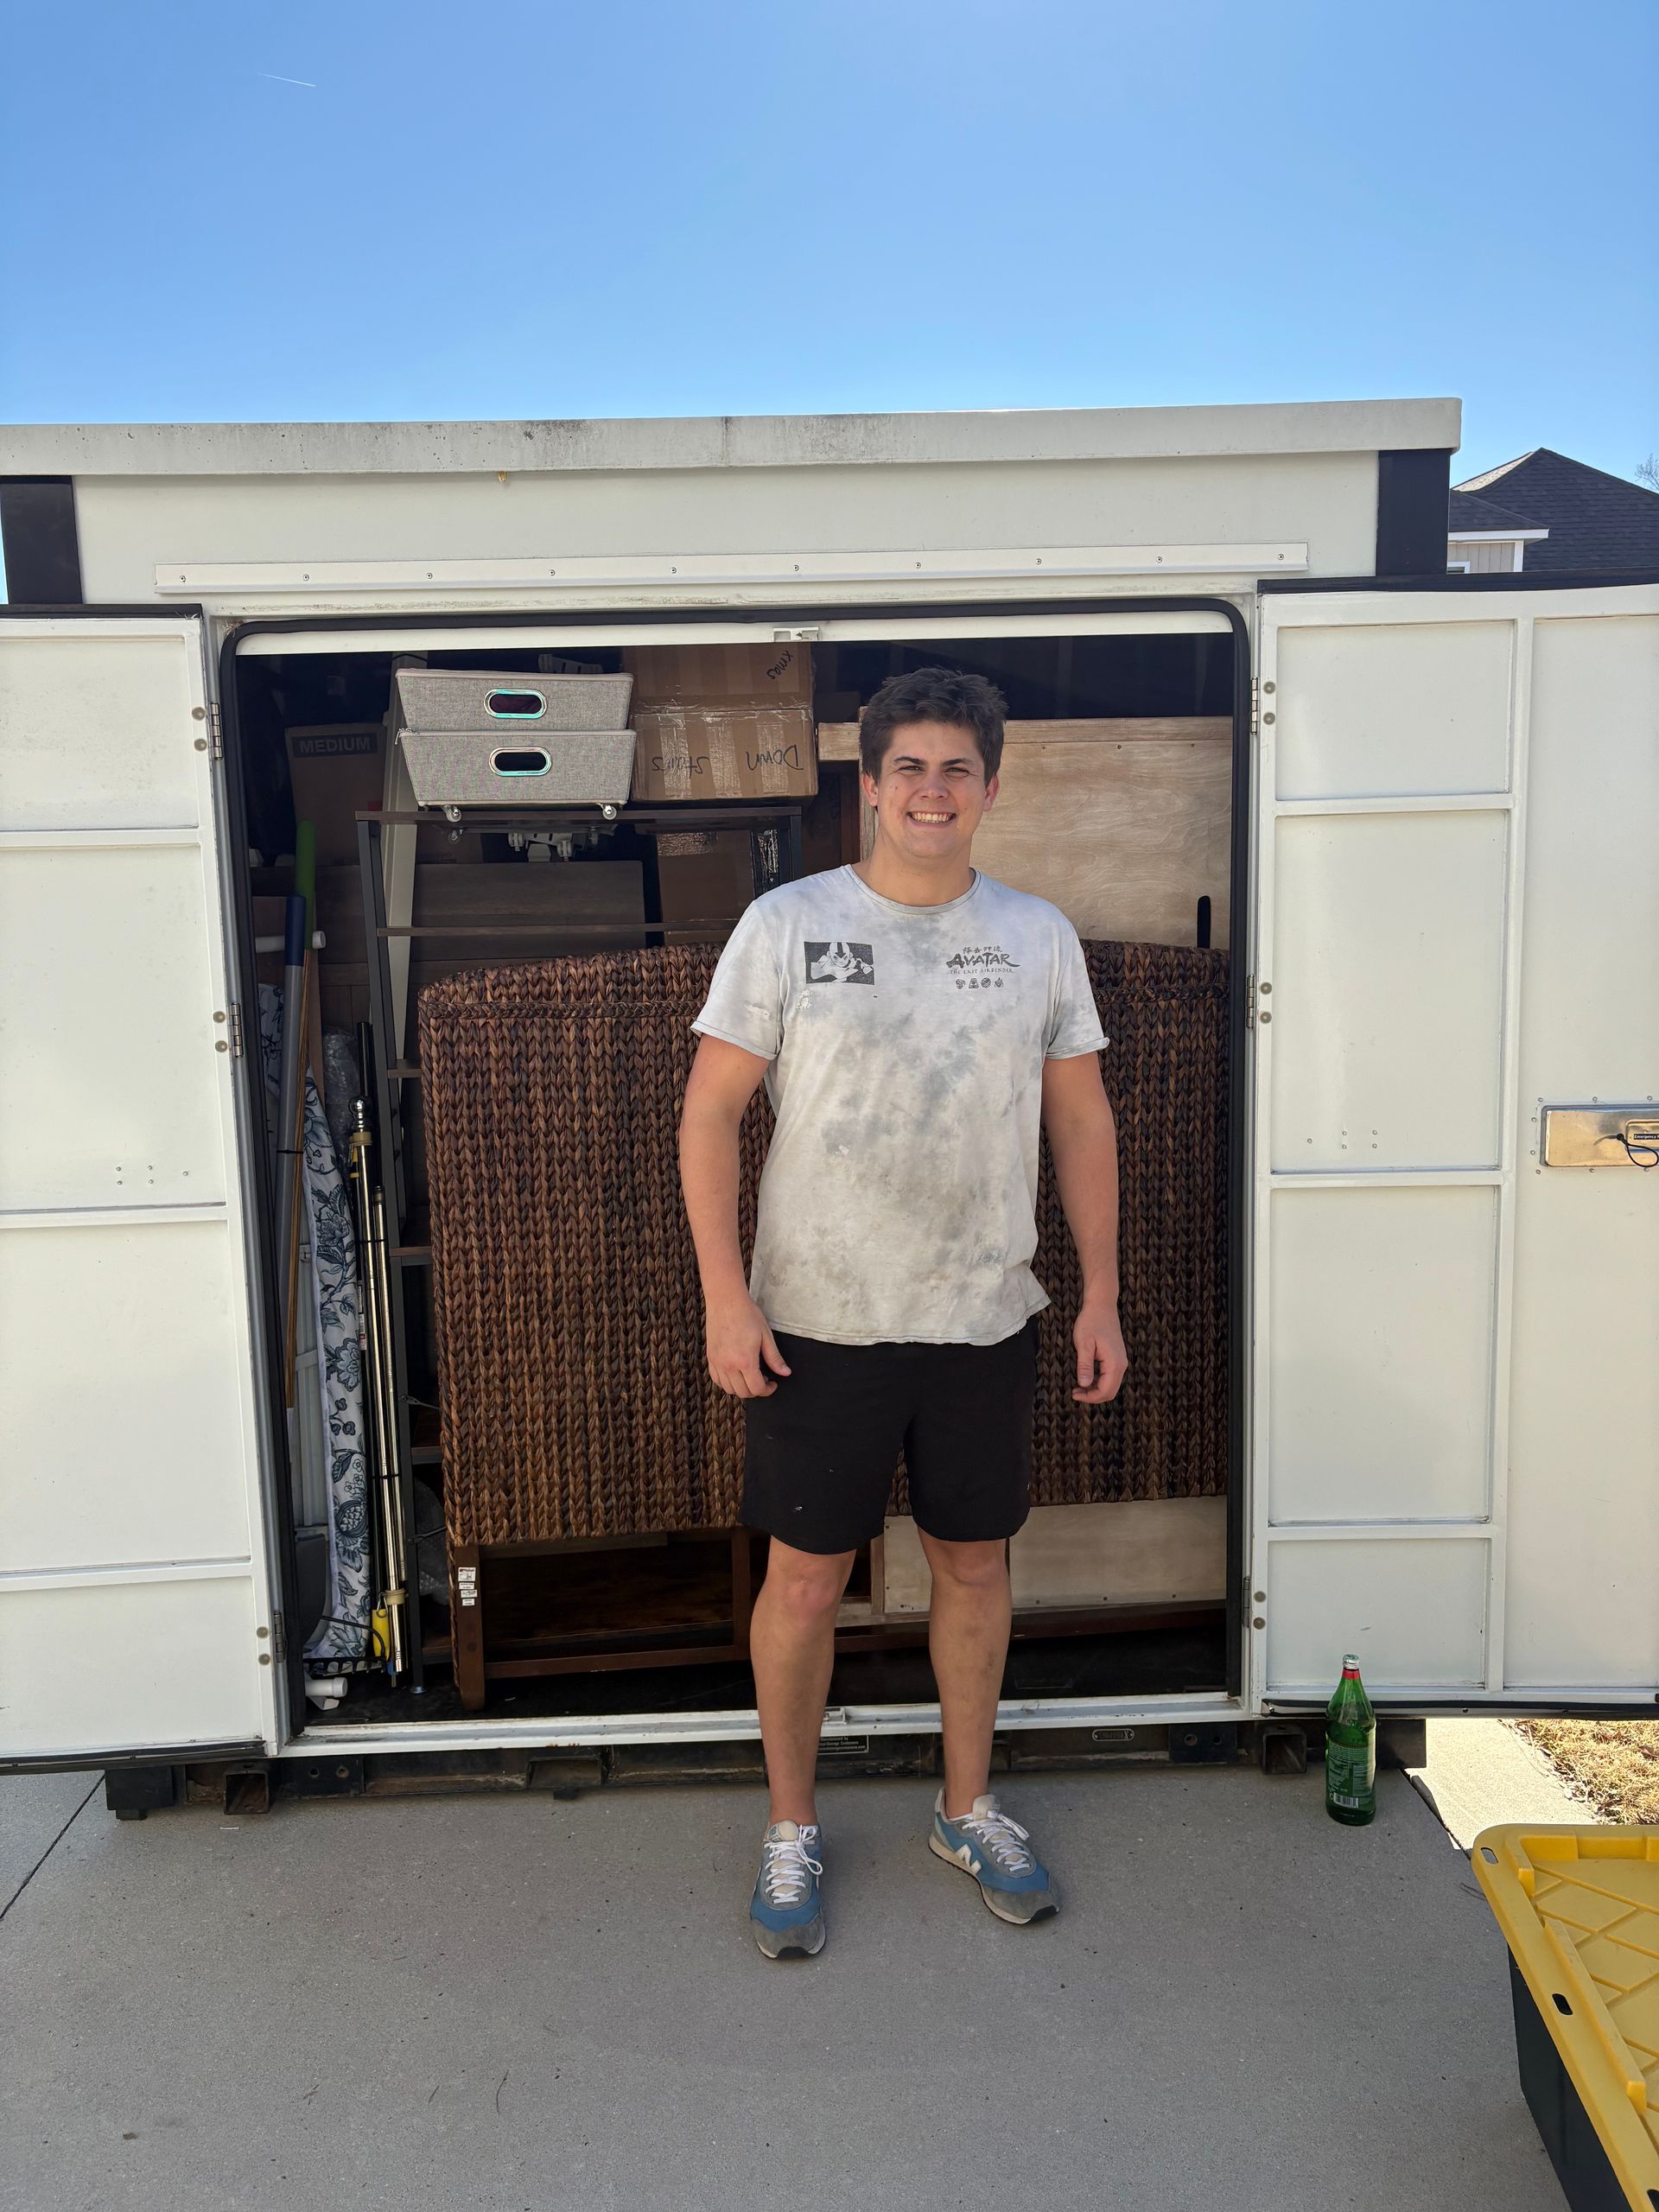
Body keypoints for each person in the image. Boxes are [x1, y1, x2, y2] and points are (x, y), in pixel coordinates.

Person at [678, 666, 1127, 1958]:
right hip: (817, 1317)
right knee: (808, 1582)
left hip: (984, 1314)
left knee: (975, 1564)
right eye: (909, 769)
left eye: (957, 769)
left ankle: (967, 1805)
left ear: (991, 787)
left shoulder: (1038, 936)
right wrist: (726, 1295)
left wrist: (1099, 1295)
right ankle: (791, 1828)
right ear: (869, 787)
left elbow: (1081, 1119)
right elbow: (711, 1113)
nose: (933, 791)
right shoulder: (786, 924)